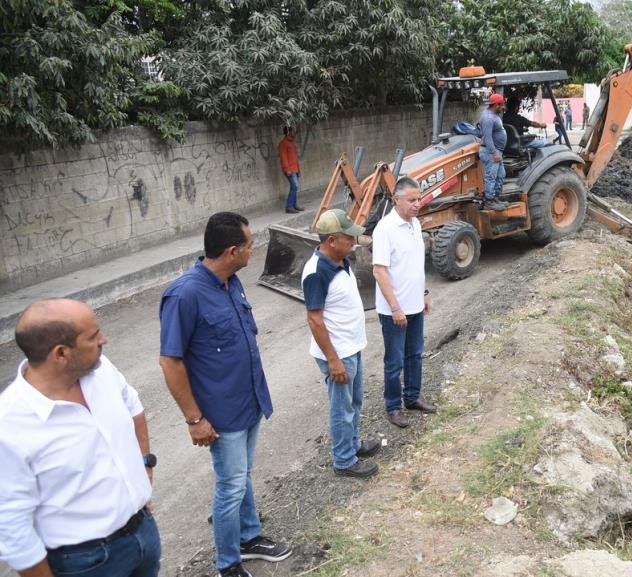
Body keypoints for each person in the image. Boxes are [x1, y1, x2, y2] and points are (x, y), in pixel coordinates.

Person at [158, 212, 292, 577]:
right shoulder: (185, 295)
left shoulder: (232, 282)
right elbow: (170, 362)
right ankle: (227, 565)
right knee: (231, 486)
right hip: (220, 414)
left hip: (248, 401)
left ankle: (249, 538)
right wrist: (195, 419)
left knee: (242, 476)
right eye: (250, 245)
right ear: (233, 250)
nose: (254, 250)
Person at [0, 299, 160, 577]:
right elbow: (12, 526)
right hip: (85, 562)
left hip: (143, 532)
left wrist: (144, 464)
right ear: (61, 353)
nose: (103, 340)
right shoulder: (10, 425)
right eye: (93, 336)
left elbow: (132, 405)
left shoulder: (100, 370)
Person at [302, 209, 381, 478]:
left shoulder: (340, 260)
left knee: (354, 402)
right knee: (341, 407)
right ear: (332, 240)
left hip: (351, 347)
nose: (354, 241)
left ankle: (353, 444)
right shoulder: (316, 272)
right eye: (349, 237)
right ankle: (344, 460)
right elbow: (314, 320)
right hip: (338, 354)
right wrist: (333, 360)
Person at [372, 178, 436, 429]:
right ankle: (393, 406)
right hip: (393, 311)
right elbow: (379, 272)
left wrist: (424, 292)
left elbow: (415, 264)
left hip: (415, 305)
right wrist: (396, 308)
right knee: (395, 360)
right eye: (411, 200)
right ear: (395, 200)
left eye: (419, 199)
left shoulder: (415, 224)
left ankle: (412, 397)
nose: (417, 204)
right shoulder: (385, 229)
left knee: (415, 354)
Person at [477, 93, 509, 211]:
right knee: (491, 176)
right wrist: (494, 152)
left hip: (496, 152)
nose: (503, 107)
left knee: (500, 175)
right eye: (502, 105)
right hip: (490, 152)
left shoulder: (493, 114)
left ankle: (495, 198)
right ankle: (489, 201)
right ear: (496, 105)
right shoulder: (488, 118)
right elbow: (487, 137)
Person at [278, 126, 304, 214]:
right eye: (293, 131)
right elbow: (283, 158)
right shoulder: (283, 144)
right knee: (294, 187)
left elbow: (295, 158)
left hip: (295, 169)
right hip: (290, 170)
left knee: (295, 187)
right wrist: (287, 169)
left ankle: (294, 205)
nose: (295, 132)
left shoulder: (291, 143)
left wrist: (298, 169)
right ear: (288, 132)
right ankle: (289, 206)